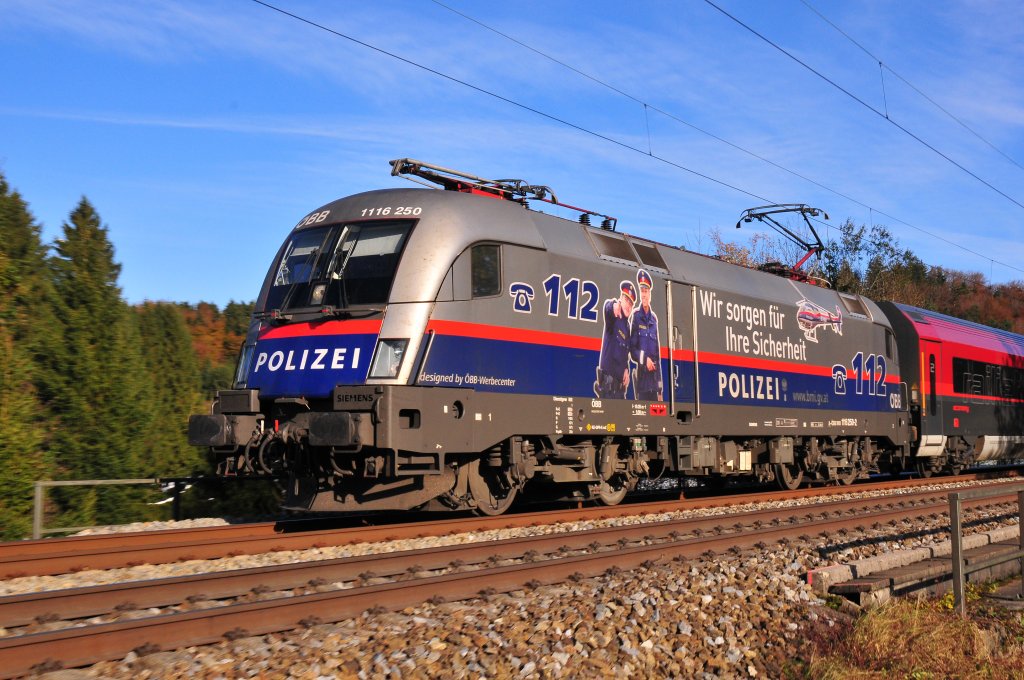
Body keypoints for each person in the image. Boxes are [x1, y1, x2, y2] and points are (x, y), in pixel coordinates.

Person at [594, 281, 636, 398]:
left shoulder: (627, 328)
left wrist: (626, 369)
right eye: (626, 300)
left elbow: (624, 354)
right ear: (620, 298)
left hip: (620, 392)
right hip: (608, 389)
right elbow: (607, 308)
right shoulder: (614, 316)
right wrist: (613, 304)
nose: (628, 305)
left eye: (631, 303)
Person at [630, 269, 663, 401]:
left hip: (654, 385)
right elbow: (632, 349)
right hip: (642, 383)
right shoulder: (636, 317)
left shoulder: (654, 320)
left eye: (646, 291)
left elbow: (658, 356)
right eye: (641, 291)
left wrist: (660, 389)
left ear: (650, 294)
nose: (643, 295)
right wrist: (645, 360)